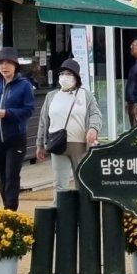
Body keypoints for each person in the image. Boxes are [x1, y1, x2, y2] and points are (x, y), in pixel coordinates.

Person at [35, 59, 103, 200]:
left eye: (69, 73)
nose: (64, 76)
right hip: (57, 145)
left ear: (76, 77)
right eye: (62, 73)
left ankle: (85, 217)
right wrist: (40, 144)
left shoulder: (85, 95)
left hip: (80, 146)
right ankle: (61, 218)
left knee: (83, 183)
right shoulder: (51, 96)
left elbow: (95, 114)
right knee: (60, 185)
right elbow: (43, 121)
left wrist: (93, 129)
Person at [0, 46, 35, 211]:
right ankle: (7, 205)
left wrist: (7, 113)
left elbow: (29, 109)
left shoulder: (24, 85)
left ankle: (11, 208)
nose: (4, 66)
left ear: (15, 66)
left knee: (12, 174)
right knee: (1, 174)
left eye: (8, 63)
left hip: (16, 137)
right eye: (1, 63)